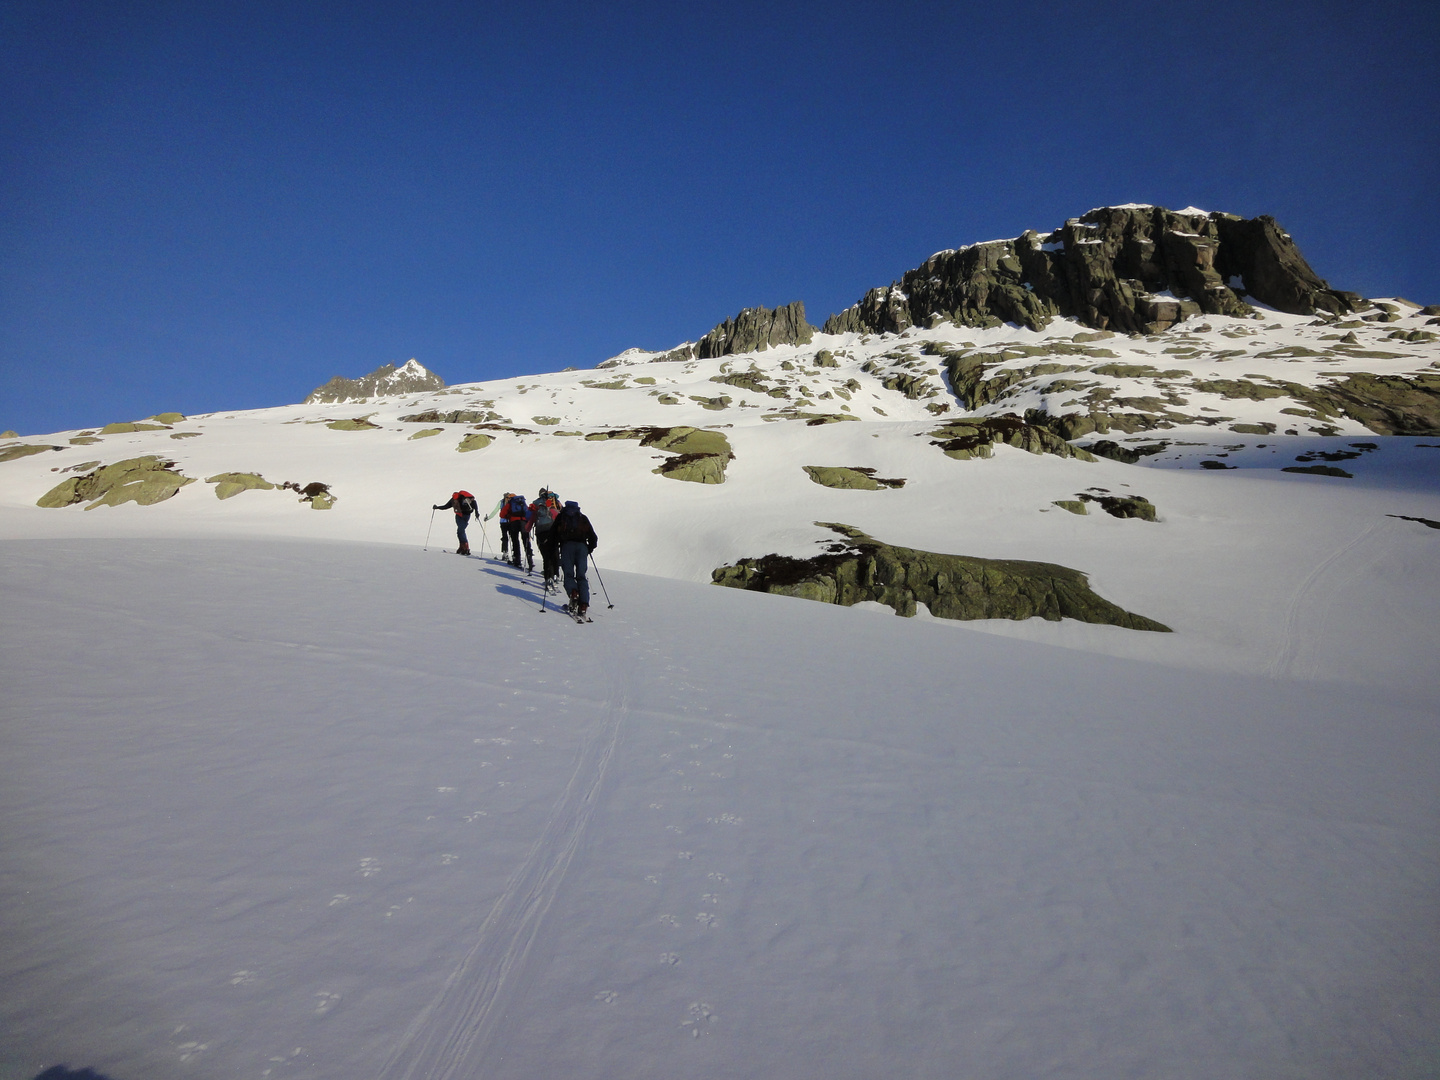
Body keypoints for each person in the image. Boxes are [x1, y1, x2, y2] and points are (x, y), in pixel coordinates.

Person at [553, 500, 598, 617]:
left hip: (567, 546)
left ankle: (573, 593)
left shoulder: (561, 517)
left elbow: (553, 534)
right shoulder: (582, 518)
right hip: (582, 547)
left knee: (568, 574)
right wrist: (589, 548)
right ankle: (583, 604)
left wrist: (554, 547)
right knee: (581, 576)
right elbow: (593, 536)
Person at [529, 488, 563, 587]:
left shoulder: (537, 507)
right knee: (554, 553)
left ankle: (548, 578)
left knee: (546, 556)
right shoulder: (554, 507)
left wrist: (527, 529)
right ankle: (556, 575)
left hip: (540, 533)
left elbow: (530, 521)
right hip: (553, 532)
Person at [497, 491, 534, 571]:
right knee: (526, 542)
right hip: (524, 523)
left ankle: (517, 561)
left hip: (513, 523)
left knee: (515, 542)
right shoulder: (522, 503)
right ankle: (530, 561)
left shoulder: (510, 504)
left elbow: (502, 515)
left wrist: (508, 515)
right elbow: (528, 513)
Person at [433, 490, 478, 555]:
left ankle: (464, 547)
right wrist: (476, 512)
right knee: (460, 530)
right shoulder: (462, 499)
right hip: (464, 516)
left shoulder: (455, 499)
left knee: (460, 530)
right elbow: (446, 506)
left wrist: (437, 507)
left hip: (460, 516)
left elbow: (446, 506)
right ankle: (463, 547)